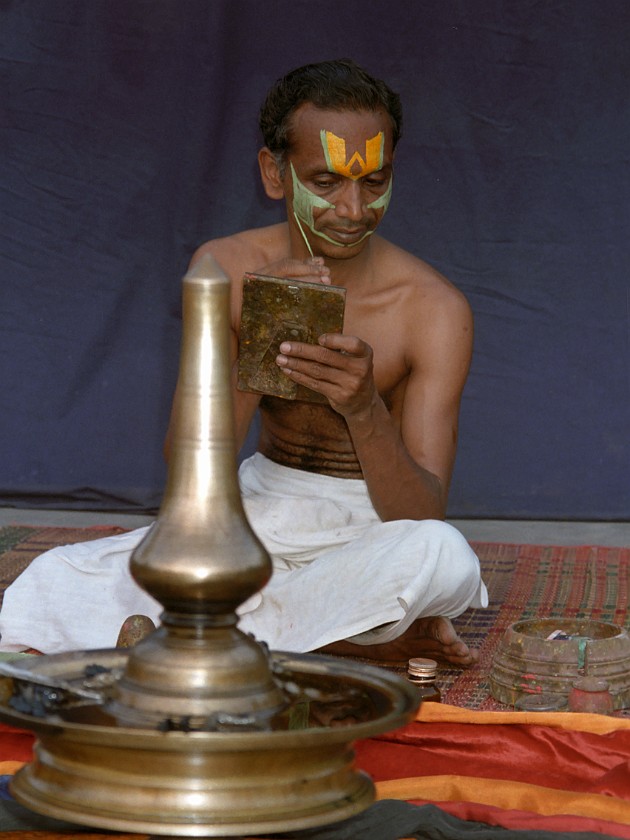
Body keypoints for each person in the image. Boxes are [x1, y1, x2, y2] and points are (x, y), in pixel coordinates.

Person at [0, 59, 487, 664]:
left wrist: (363, 410)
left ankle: (195, 644)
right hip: (249, 511)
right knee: (55, 580)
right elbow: (187, 467)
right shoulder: (223, 268)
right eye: (327, 181)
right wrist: (260, 332)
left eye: (374, 180)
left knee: (441, 559)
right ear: (274, 173)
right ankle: (333, 644)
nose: (353, 209)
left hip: (371, 531)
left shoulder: (434, 309)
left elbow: (420, 516)